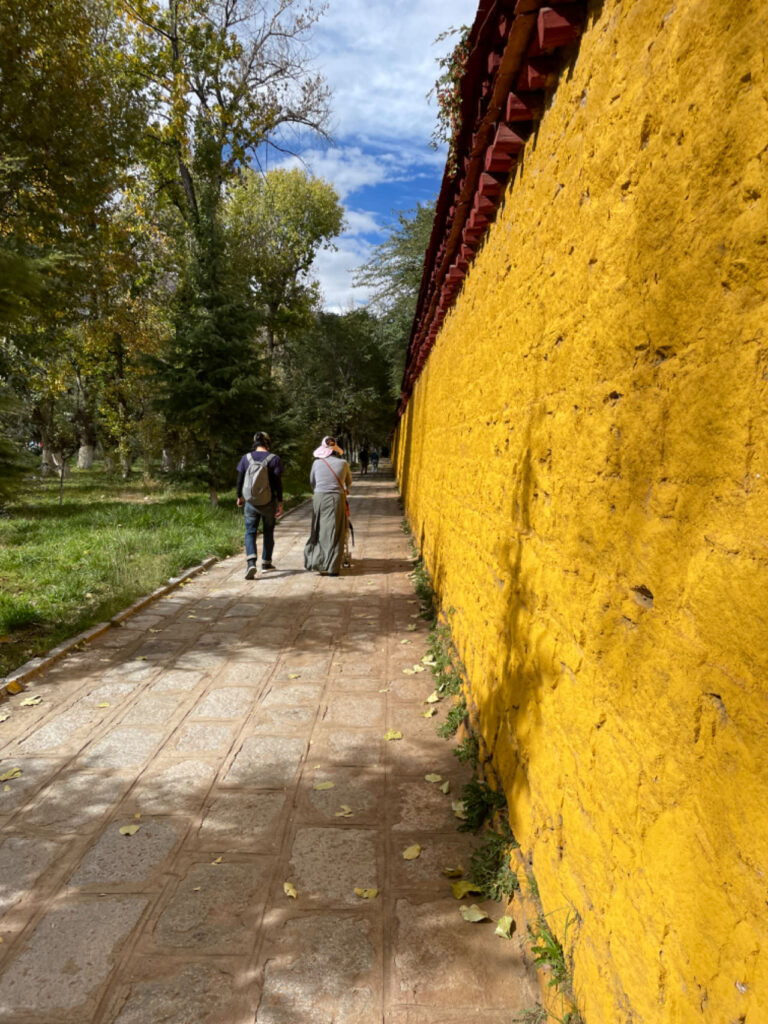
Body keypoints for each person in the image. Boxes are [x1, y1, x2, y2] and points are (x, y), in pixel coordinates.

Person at [235, 431, 284, 579]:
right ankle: (266, 563)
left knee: (250, 532)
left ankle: (251, 563)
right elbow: (277, 483)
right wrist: (280, 502)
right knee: (268, 531)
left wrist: (239, 497)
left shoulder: (246, 458)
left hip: (251, 502)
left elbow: (240, 479)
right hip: (268, 502)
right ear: (268, 442)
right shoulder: (274, 459)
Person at [304, 435, 352, 577]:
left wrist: (320, 490)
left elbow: (312, 482)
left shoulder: (316, 464)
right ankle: (332, 567)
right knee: (336, 531)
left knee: (318, 529)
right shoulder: (343, 463)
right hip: (337, 498)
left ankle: (318, 561)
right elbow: (348, 482)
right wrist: (346, 489)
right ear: (335, 449)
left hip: (319, 498)